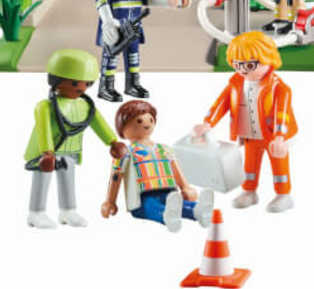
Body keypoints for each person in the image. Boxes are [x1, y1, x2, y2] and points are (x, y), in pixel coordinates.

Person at [193, 32, 297, 213]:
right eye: (237, 64)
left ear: (268, 59)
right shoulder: (236, 84)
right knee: (249, 166)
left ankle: (283, 194)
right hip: (250, 134)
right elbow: (221, 104)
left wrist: (280, 137)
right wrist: (208, 123)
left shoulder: (279, 88)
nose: (242, 70)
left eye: (249, 65)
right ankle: (249, 192)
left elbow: (282, 114)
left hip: (273, 136)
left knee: (279, 166)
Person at [25, 49, 127, 229]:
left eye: (86, 84)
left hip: (70, 151)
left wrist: (112, 142)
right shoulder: (45, 106)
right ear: (57, 80)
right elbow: (43, 129)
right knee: (42, 180)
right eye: (74, 83)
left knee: (68, 181)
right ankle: (36, 212)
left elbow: (98, 123)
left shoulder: (85, 106)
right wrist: (47, 151)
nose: (81, 88)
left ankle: (68, 210)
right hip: (47, 153)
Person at [94, 0, 190, 102]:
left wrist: (171, 0)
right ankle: (106, 87)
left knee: (133, 58)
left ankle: (133, 84)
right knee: (111, 59)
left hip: (133, 33)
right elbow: (104, 11)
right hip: (116, 33)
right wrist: (109, 25)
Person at [101, 100, 214, 231]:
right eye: (139, 121)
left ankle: (197, 210)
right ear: (122, 128)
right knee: (152, 205)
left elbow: (175, 168)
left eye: (150, 119)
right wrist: (110, 201)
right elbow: (116, 176)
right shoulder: (125, 152)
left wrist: (185, 187)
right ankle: (165, 215)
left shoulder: (163, 148)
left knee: (176, 203)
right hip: (142, 198)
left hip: (167, 191)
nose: (146, 123)